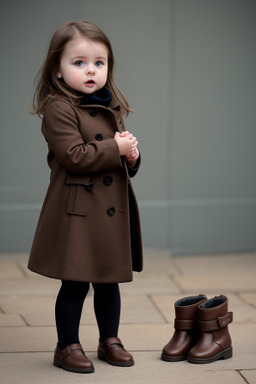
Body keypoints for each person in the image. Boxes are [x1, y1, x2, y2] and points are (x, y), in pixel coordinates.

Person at [28, 21, 143, 374]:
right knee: (75, 280)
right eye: (78, 63)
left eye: (99, 62)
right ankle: (67, 345)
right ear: (58, 71)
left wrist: (131, 156)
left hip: (110, 209)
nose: (91, 70)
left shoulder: (111, 105)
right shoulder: (58, 109)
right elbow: (74, 156)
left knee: (109, 279)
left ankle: (110, 339)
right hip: (78, 210)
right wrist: (115, 146)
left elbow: (116, 157)